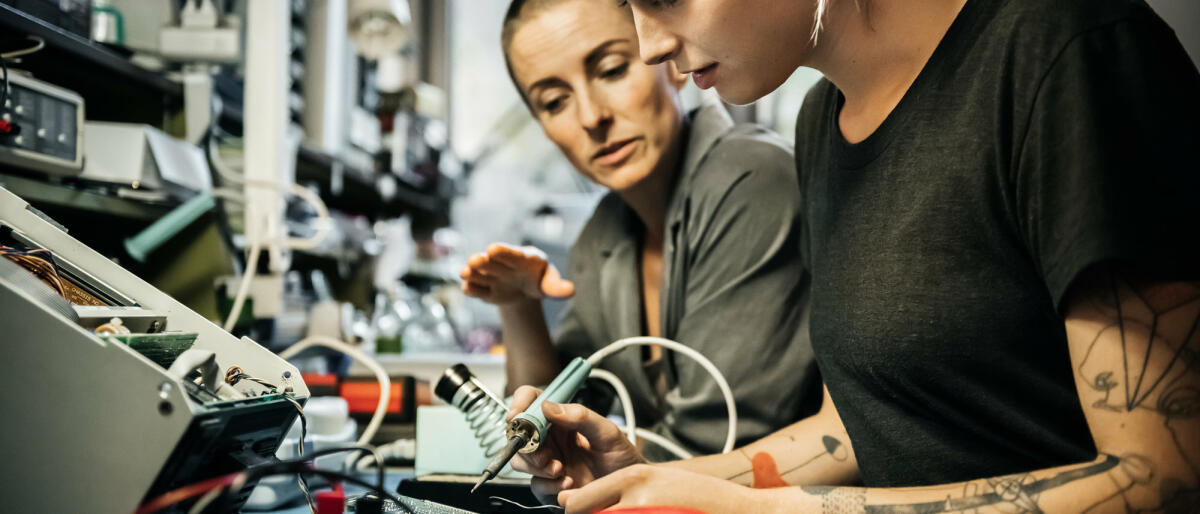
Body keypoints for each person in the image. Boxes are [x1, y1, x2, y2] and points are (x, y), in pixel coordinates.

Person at [506, 0, 1200, 511]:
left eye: (661, 1)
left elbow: (1165, 478)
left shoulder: (1065, 51)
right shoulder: (822, 122)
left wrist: (770, 511)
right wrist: (649, 477)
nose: (652, 45)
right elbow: (853, 433)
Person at [459, 0, 821, 459]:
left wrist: (574, 453)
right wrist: (517, 307)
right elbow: (549, 420)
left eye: (611, 70)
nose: (591, 117)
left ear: (669, 61)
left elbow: (712, 446)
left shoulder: (753, 180)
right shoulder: (605, 233)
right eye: (554, 102)